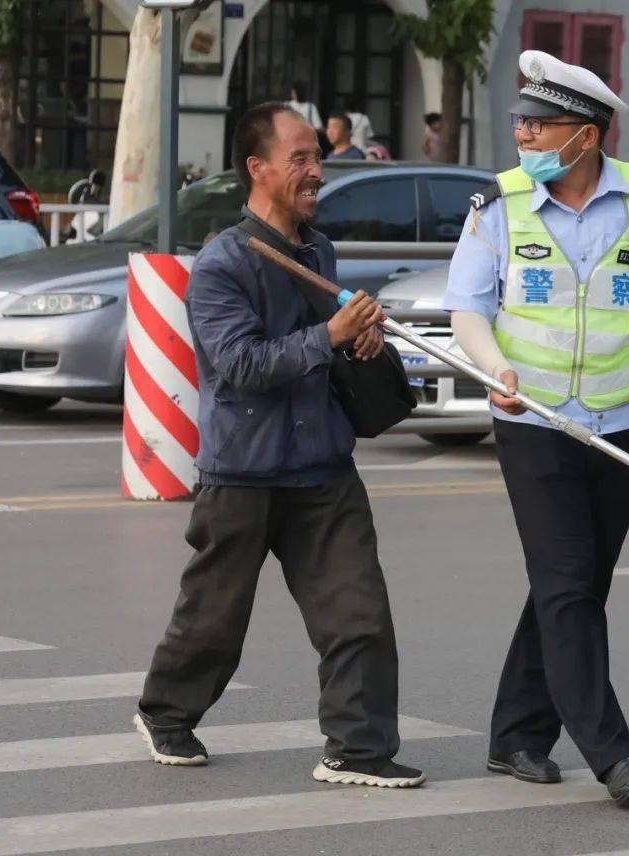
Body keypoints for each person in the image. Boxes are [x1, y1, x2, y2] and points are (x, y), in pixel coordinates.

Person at [134, 102, 424, 790]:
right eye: (299, 159)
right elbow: (241, 365)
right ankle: (166, 713)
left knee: (359, 613)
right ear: (256, 168)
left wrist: (358, 339)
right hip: (244, 469)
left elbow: (323, 351)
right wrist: (329, 335)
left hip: (323, 463)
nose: (315, 172)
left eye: (317, 158)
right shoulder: (222, 264)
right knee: (213, 617)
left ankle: (358, 748)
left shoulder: (317, 250)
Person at [443, 50, 629, 806]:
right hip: (532, 421)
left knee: (577, 584)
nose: (522, 136)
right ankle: (611, 752)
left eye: (537, 125)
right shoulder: (501, 204)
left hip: (617, 424)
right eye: (520, 124)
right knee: (566, 583)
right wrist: (498, 368)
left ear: (586, 135)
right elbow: (468, 309)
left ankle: (517, 735)